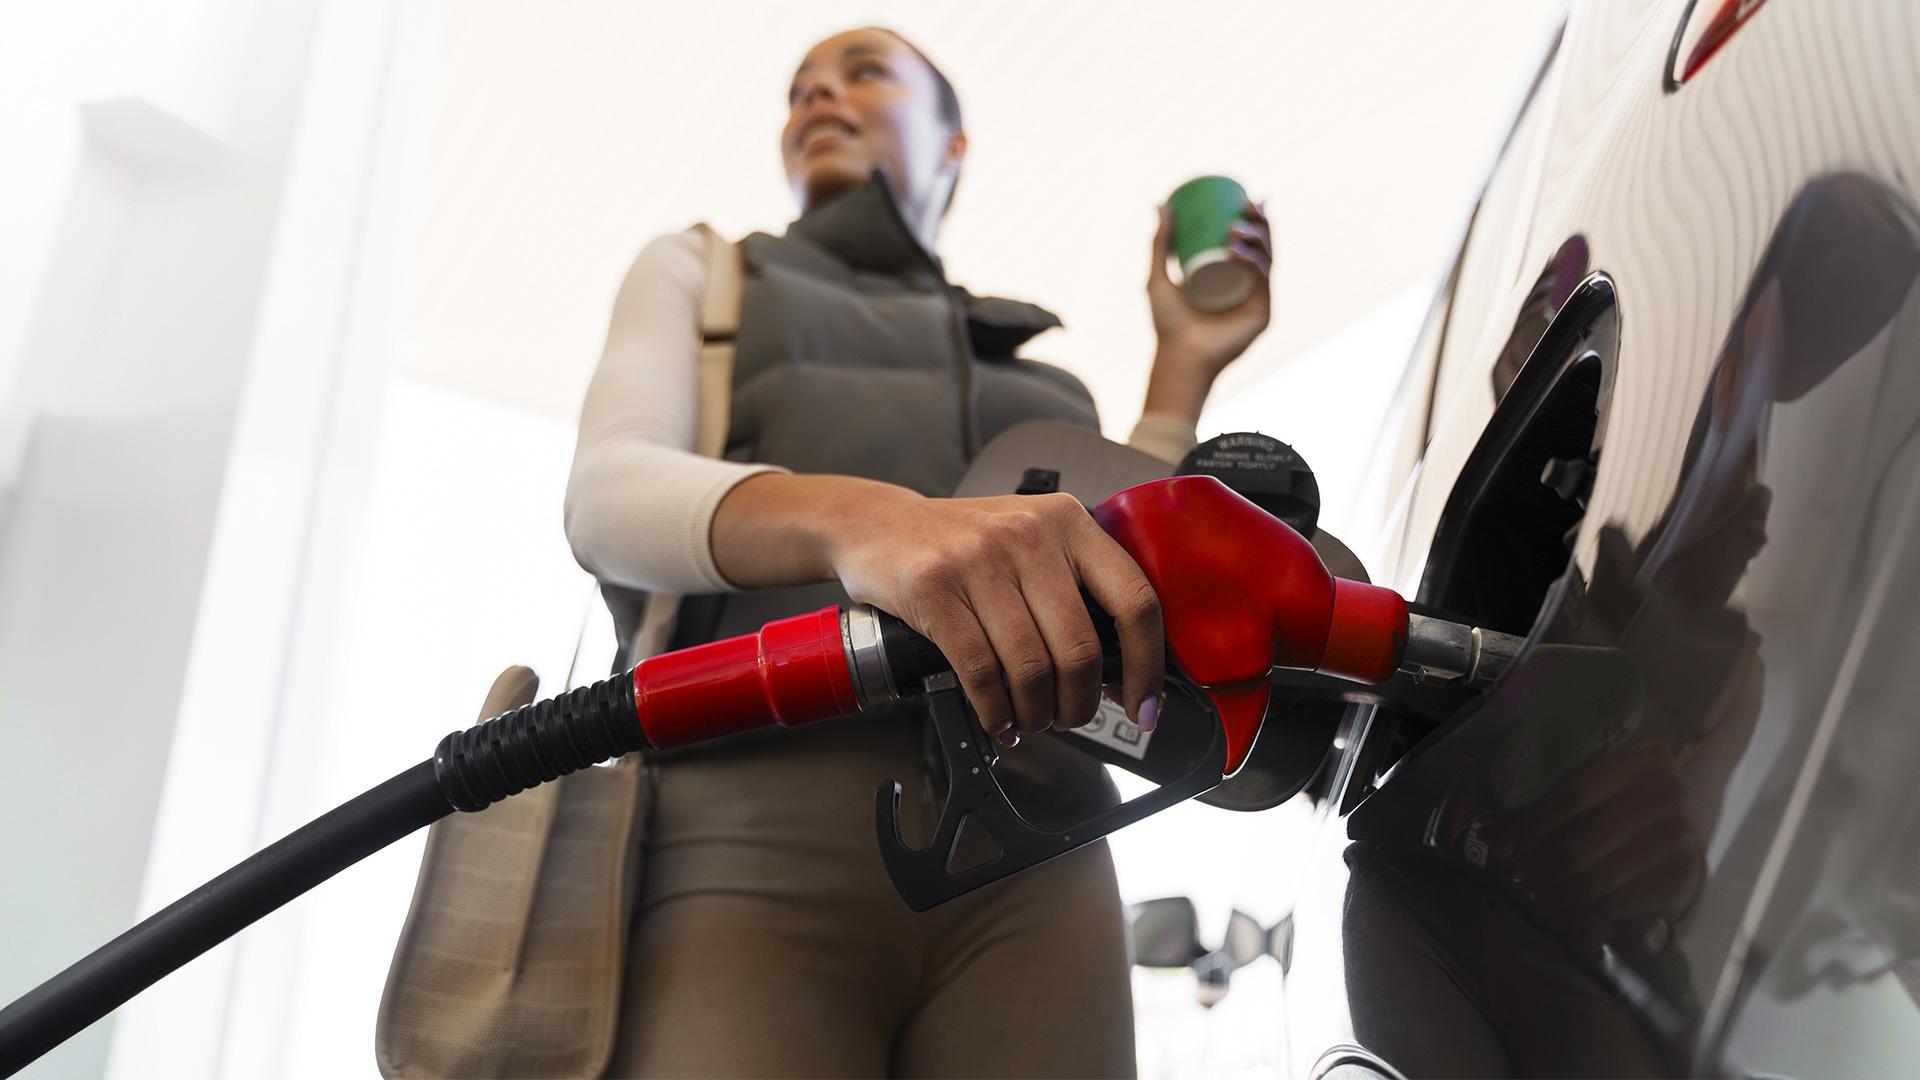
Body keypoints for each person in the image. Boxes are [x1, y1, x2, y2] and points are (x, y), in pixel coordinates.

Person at [564, 26, 1272, 1077]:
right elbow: (609, 492)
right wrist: (868, 523)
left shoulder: (1045, 381)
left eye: (862, 73)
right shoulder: (710, 276)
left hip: (1046, 837)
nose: (816, 96)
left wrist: (1184, 365)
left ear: (953, 144)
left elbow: (1127, 557)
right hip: (751, 821)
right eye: (799, 86)